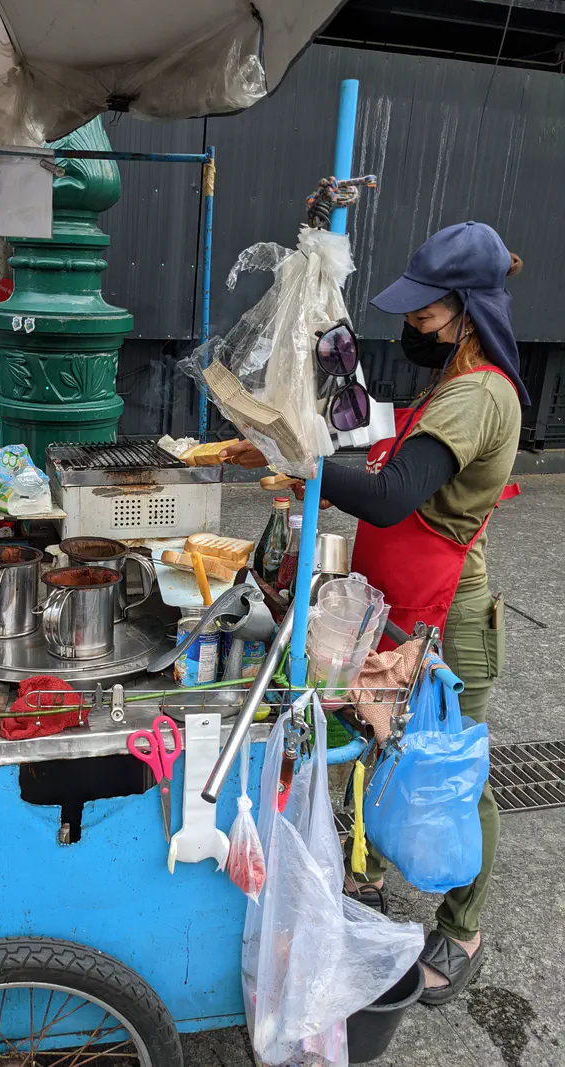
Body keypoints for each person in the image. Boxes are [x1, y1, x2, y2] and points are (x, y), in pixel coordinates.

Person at [223, 221, 525, 1004]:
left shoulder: (483, 392)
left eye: (425, 312)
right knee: (380, 750)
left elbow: (393, 496)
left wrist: (301, 459)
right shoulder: (448, 386)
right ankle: (371, 878)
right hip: (399, 609)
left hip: (449, 614)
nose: (412, 326)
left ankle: (463, 929)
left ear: (466, 308)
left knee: (456, 776)